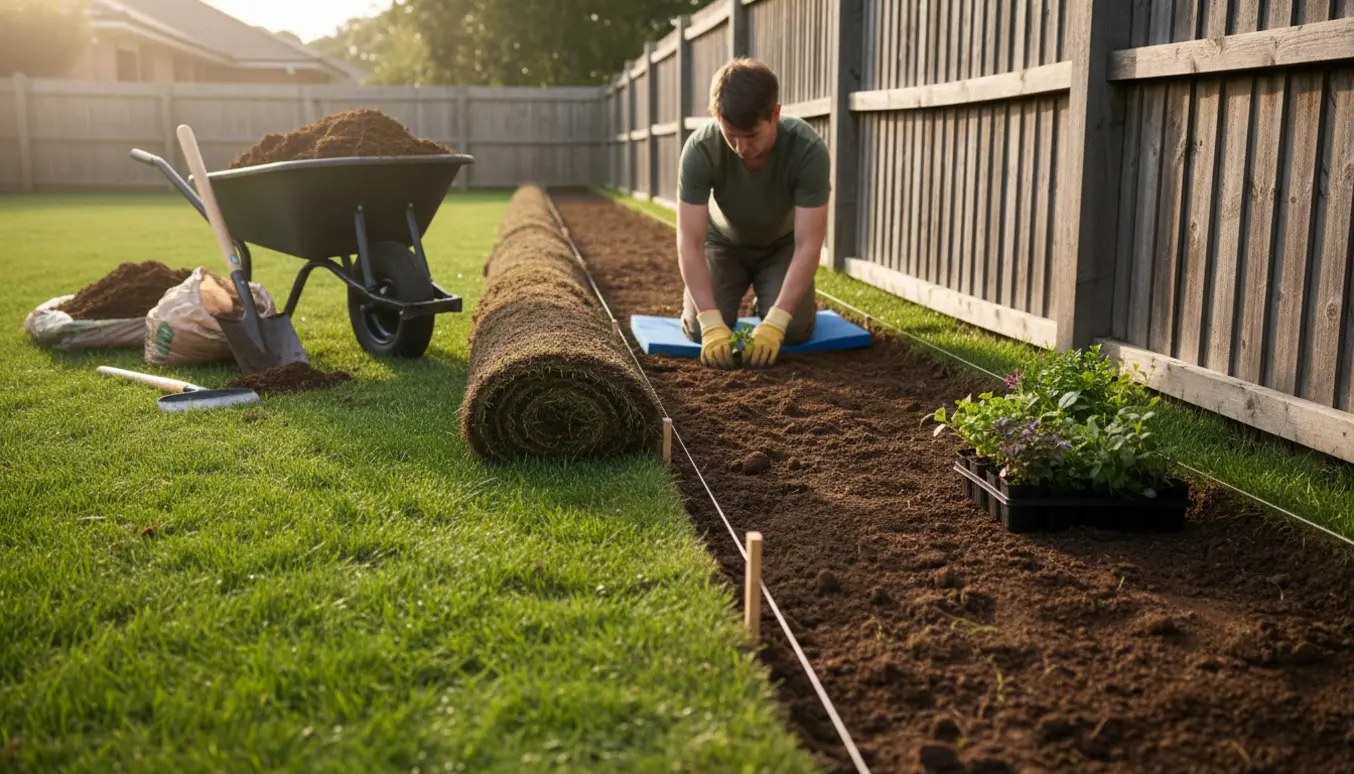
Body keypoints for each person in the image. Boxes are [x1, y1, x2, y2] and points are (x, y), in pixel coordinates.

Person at [676, 57, 831, 368]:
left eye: (751, 136)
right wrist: (709, 320)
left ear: (775, 113)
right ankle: (724, 307)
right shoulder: (700, 149)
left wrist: (777, 320)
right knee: (697, 332)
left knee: (794, 332)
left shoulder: (807, 150)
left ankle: (768, 300)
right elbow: (689, 242)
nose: (741, 148)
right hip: (722, 244)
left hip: (782, 246)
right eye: (730, 134)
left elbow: (809, 244)